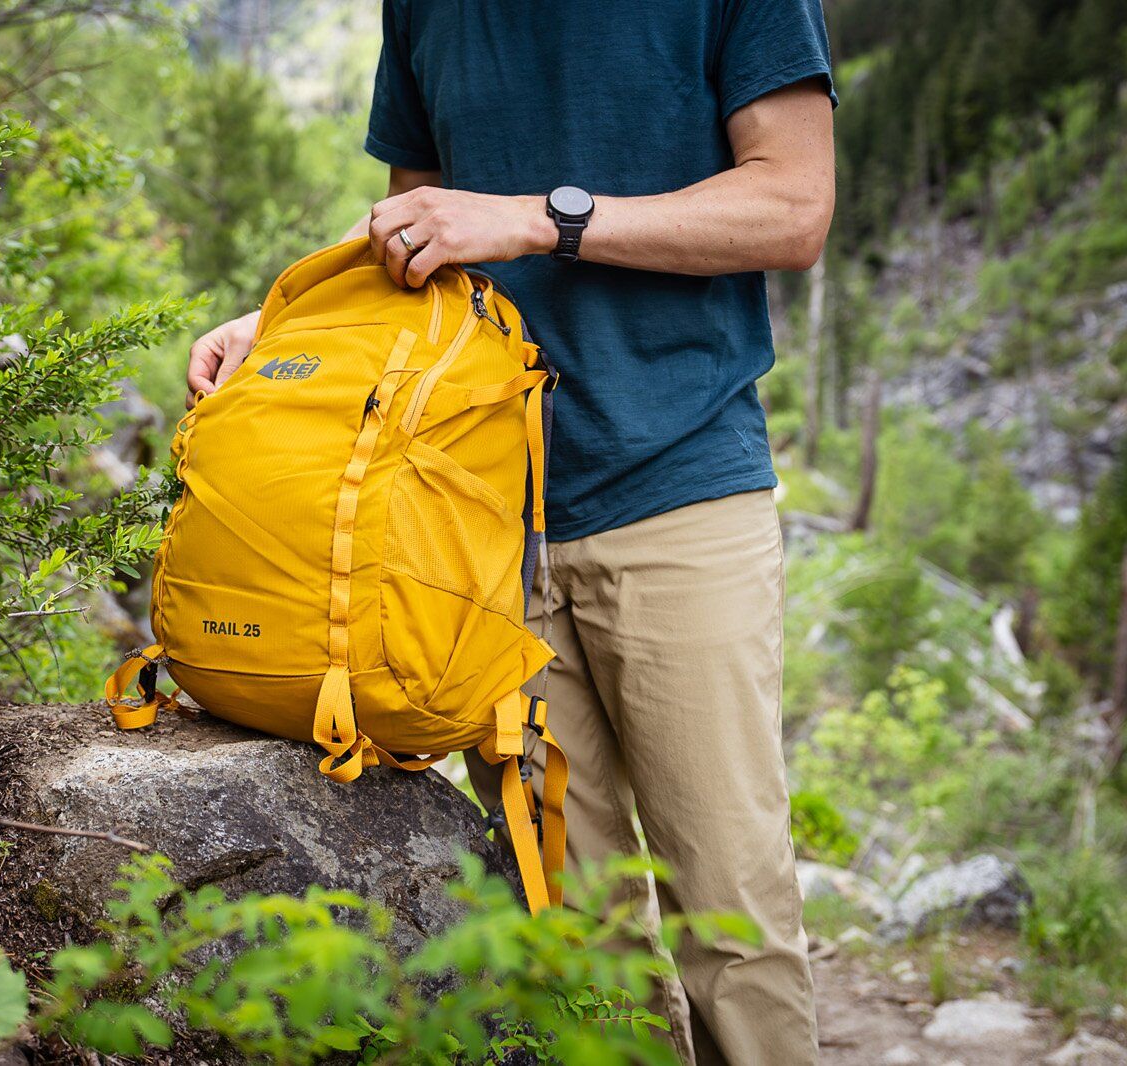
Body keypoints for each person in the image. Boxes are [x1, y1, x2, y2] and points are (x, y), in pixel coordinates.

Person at [187, 3, 837, 1062]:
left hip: (678, 488)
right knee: (573, 925)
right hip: (471, 523)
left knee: (732, 916)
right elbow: (419, 228)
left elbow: (792, 206)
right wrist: (288, 321)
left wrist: (547, 218)